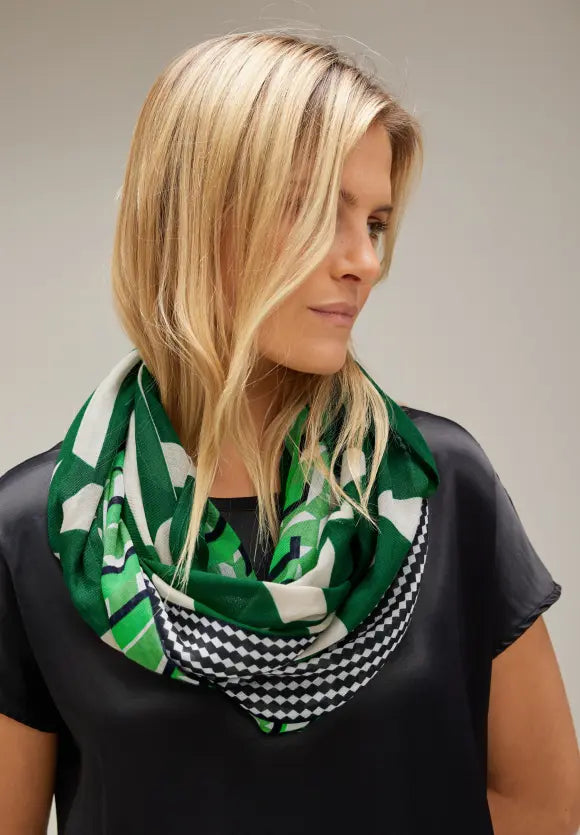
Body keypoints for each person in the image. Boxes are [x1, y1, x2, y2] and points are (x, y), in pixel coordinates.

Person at [0, 30, 579, 835]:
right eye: (318, 212)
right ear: (192, 217)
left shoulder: (439, 486)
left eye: (374, 223)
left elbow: (539, 807)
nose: (364, 260)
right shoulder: (39, 530)